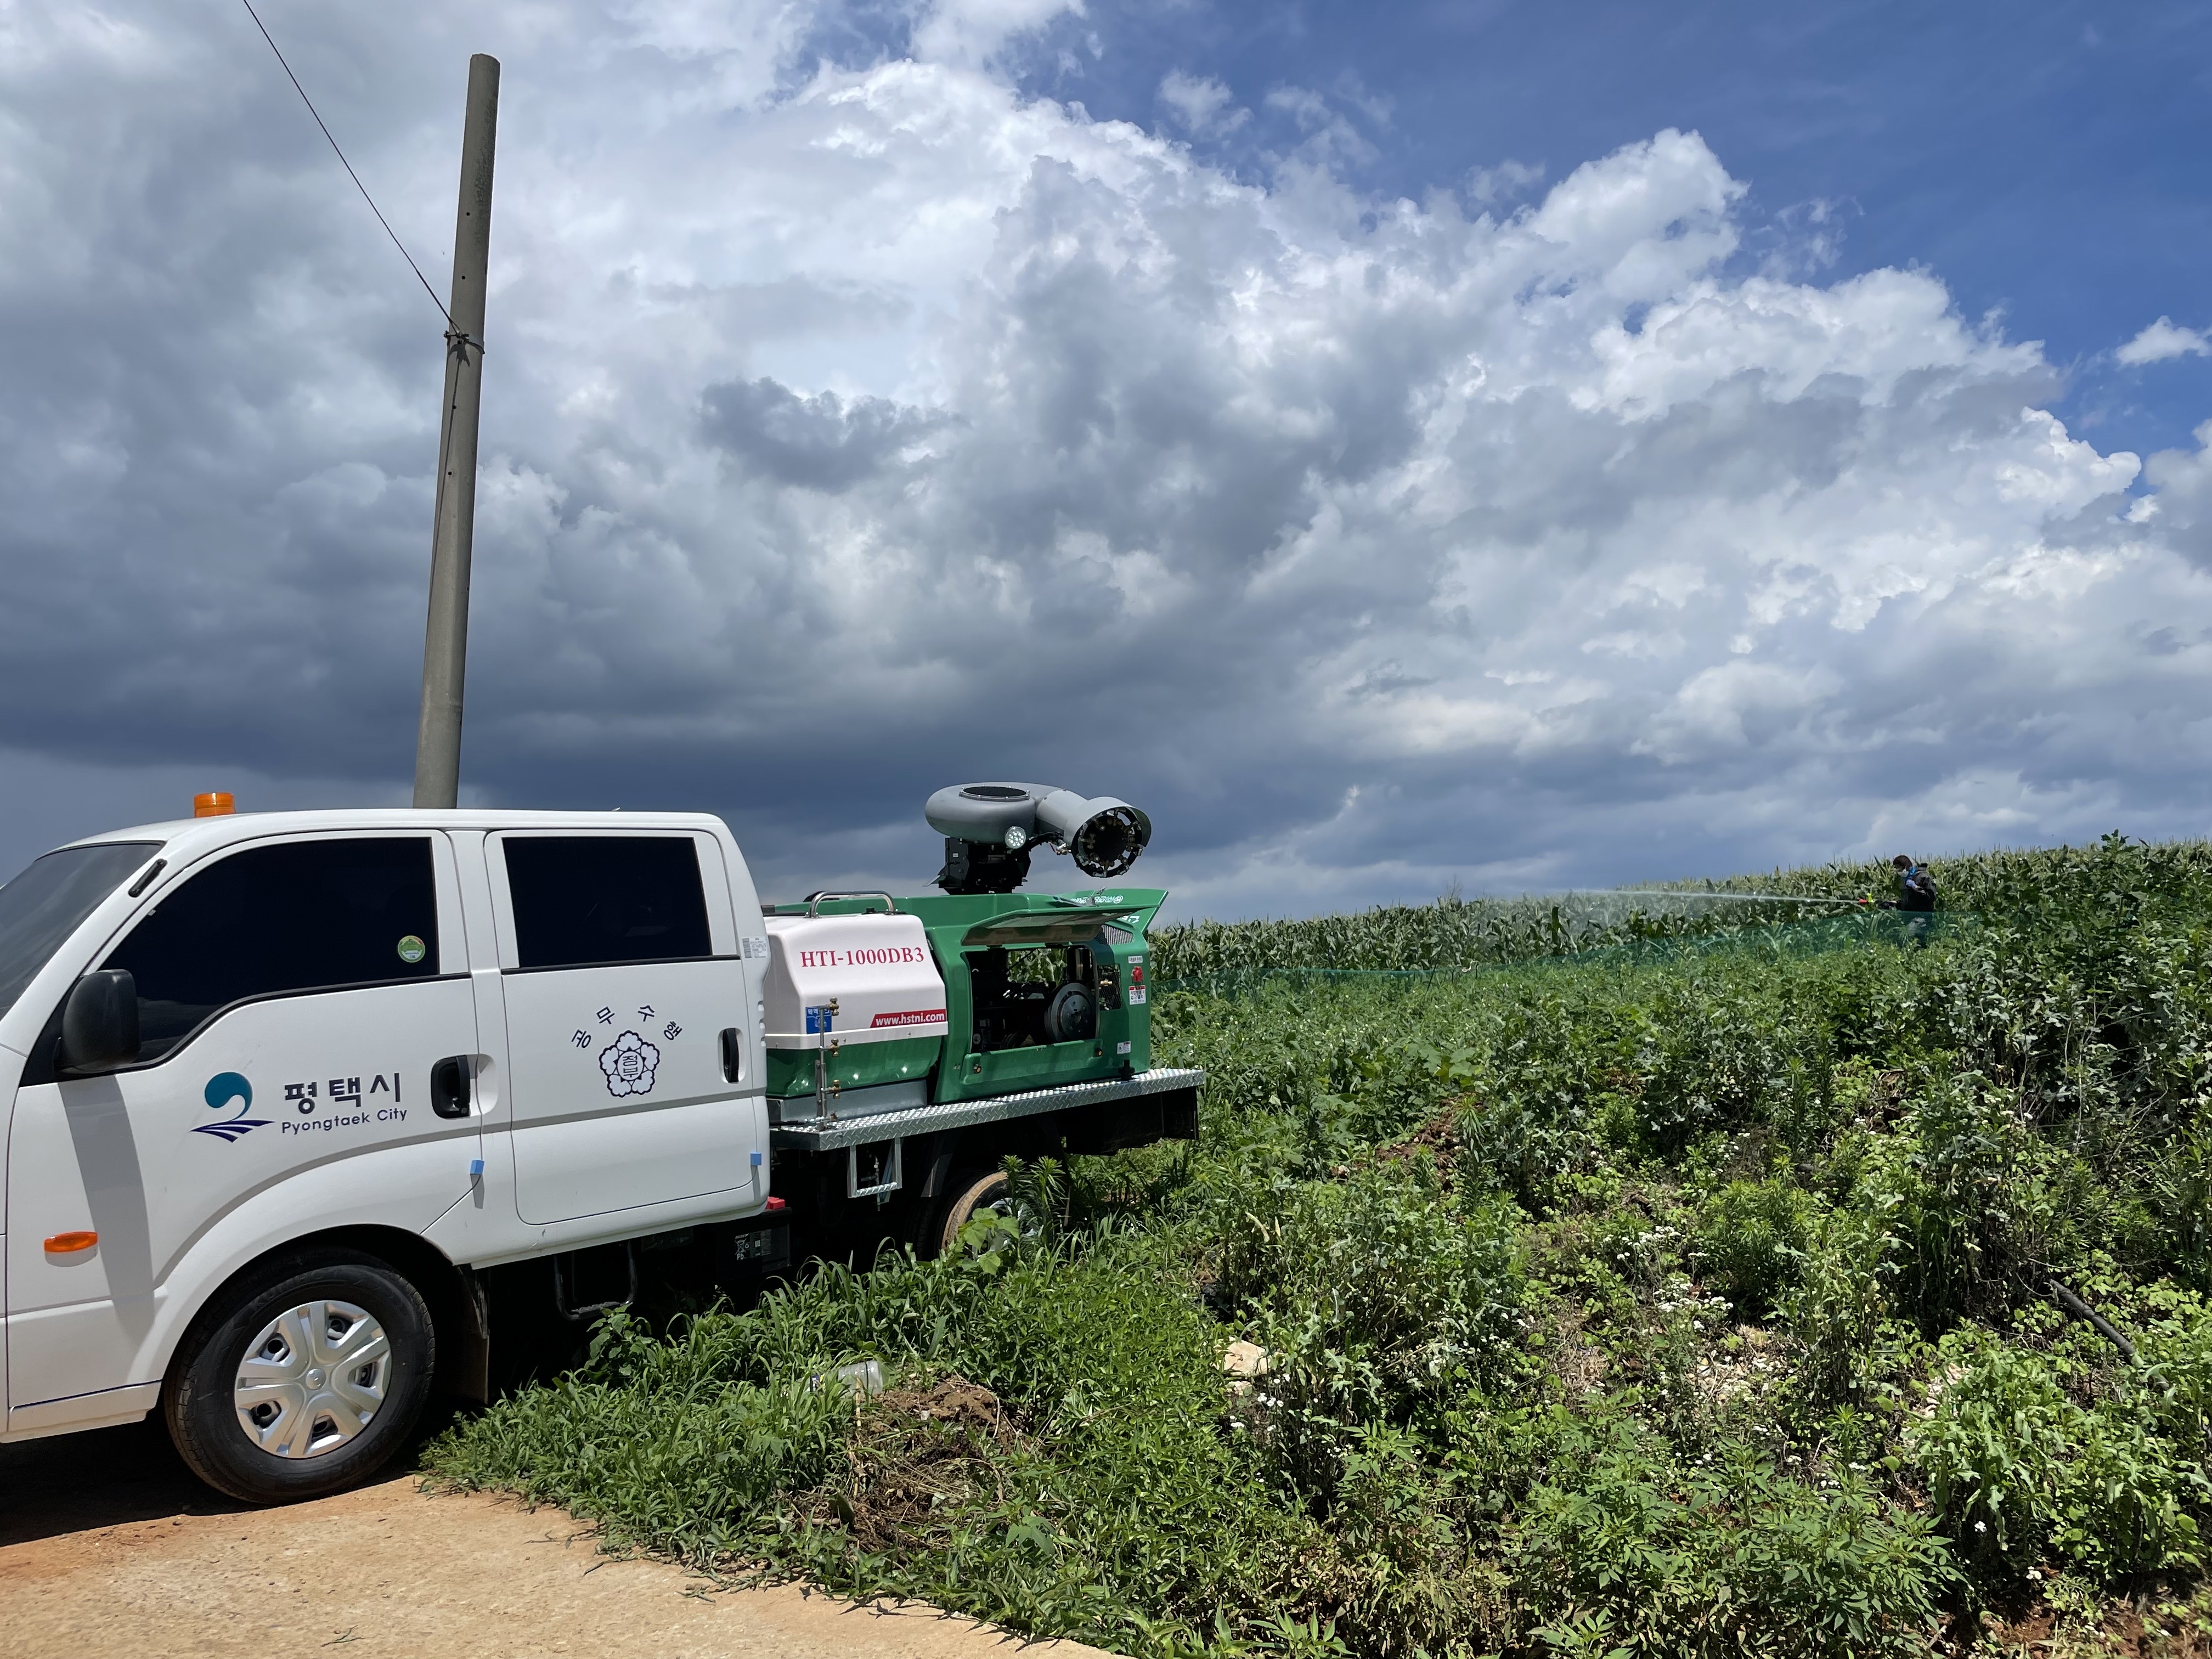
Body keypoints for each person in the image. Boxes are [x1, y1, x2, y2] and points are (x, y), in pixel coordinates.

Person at [1876, 854, 1936, 945]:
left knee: (1906, 936)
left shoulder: (1923, 877)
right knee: (1909, 941)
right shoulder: (1906, 880)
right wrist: (1894, 903)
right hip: (1909, 918)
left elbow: (1931, 897)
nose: (1898, 872)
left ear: (1907, 867)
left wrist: (1916, 888)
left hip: (1922, 917)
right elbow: (1908, 902)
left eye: (1899, 869)